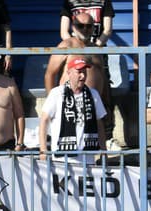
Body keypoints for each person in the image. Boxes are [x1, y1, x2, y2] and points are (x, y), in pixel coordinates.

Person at [45, 12, 115, 151]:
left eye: (89, 26)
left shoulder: (96, 50)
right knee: (70, 146)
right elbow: (50, 75)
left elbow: (103, 77)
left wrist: (107, 103)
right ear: (73, 26)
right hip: (70, 106)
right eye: (80, 26)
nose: (85, 29)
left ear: (94, 28)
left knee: (93, 146)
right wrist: (52, 101)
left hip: (93, 106)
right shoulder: (66, 46)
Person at [38, 57, 107, 163]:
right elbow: (44, 120)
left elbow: (99, 124)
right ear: (69, 73)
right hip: (62, 158)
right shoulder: (57, 93)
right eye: (79, 72)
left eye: (84, 72)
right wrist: (43, 149)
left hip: (87, 157)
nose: (83, 76)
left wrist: (103, 150)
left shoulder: (93, 94)